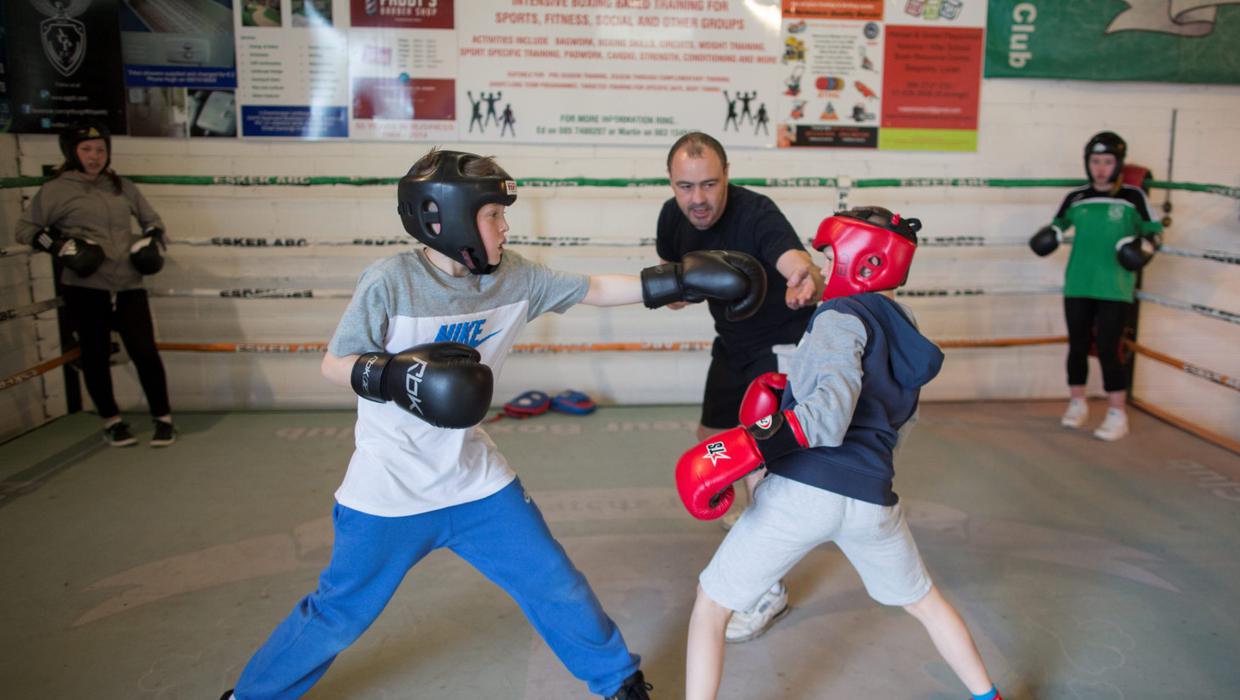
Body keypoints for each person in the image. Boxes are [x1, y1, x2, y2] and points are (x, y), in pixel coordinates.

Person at [220, 148, 769, 700]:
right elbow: (334, 363)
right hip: (389, 490)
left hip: (473, 480)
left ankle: (620, 684)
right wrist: (393, 377)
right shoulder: (391, 282)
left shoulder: (513, 278)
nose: (506, 227)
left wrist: (676, 281)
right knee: (337, 614)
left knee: (556, 585)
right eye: (492, 216)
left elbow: (593, 290)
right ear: (448, 218)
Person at [673, 207, 1004, 700]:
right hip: (872, 497)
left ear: (863, 262)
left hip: (803, 493)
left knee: (711, 605)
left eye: (829, 256)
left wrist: (750, 441)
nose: (824, 269)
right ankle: (988, 696)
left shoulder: (838, 316)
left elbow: (828, 415)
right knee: (925, 601)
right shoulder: (905, 329)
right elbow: (899, 424)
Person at [656, 131, 822, 636]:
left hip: (779, 346)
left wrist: (804, 276)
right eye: (686, 187)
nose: (698, 199)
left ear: (727, 175)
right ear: (672, 183)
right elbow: (677, 287)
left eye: (709, 184)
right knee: (712, 438)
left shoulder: (756, 212)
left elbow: (793, 258)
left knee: (756, 464)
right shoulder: (672, 218)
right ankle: (751, 521)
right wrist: (678, 286)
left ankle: (766, 589)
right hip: (731, 344)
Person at [15, 120, 175, 447]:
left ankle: (163, 418)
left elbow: (152, 220)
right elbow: (25, 229)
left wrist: (152, 239)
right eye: (86, 149)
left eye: (100, 149)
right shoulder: (56, 190)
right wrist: (58, 245)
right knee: (95, 354)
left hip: (128, 283)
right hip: (85, 285)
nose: (94, 156)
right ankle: (112, 421)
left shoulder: (121, 186)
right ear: (72, 152)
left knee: (145, 350)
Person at [1029, 131, 1163, 441]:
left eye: (1107, 161)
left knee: (1107, 348)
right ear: (1087, 163)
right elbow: (1057, 226)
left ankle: (1117, 413)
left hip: (1114, 286)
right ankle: (1078, 403)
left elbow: (1154, 232)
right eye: (1095, 161)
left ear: (1118, 164)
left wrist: (1144, 248)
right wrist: (1048, 234)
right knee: (1076, 345)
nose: (1100, 168)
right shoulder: (1077, 197)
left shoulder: (1133, 197)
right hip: (1077, 283)